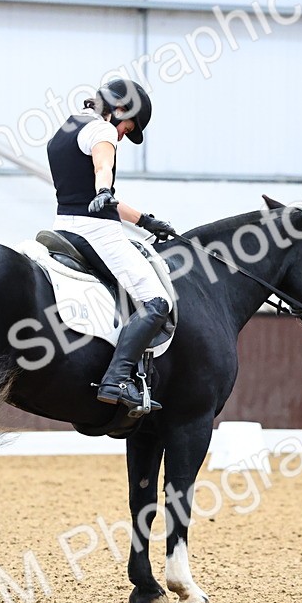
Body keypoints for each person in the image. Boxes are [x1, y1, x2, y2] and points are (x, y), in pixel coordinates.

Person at [46, 78, 176, 411]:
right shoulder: (102, 130)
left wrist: (145, 221)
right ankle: (117, 379)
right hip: (96, 233)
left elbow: (92, 199)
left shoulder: (66, 129)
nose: (121, 136)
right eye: (126, 128)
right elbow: (102, 168)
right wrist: (105, 189)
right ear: (120, 109)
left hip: (64, 226)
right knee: (157, 301)